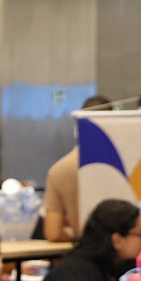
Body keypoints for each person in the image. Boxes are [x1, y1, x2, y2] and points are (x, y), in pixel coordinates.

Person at [42, 94, 114, 242]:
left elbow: (53, 232)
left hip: (85, 254)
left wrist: (76, 233)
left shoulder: (60, 170)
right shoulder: (125, 163)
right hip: (123, 258)